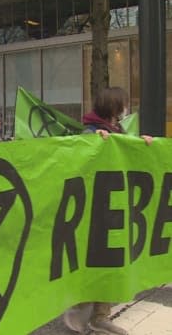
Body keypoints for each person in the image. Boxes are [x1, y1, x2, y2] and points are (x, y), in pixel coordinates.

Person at [63, 87, 152, 335]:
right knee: (94, 261)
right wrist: (93, 142)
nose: (126, 109)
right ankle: (79, 308)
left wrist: (143, 145)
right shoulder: (91, 131)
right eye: (123, 104)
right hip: (95, 211)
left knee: (110, 262)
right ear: (113, 106)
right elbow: (78, 161)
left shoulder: (118, 132)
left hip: (113, 209)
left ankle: (101, 315)